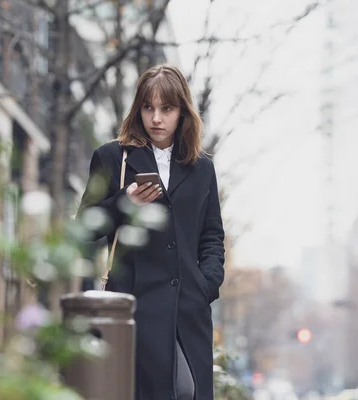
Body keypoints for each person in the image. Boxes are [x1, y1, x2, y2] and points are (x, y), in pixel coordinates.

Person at [76, 63, 225, 400]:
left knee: (188, 392)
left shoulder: (202, 168)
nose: (156, 118)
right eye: (148, 107)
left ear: (182, 112)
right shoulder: (114, 158)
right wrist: (123, 202)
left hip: (187, 306)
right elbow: (84, 228)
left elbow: (212, 236)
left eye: (166, 109)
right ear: (138, 109)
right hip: (136, 306)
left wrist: (207, 285)